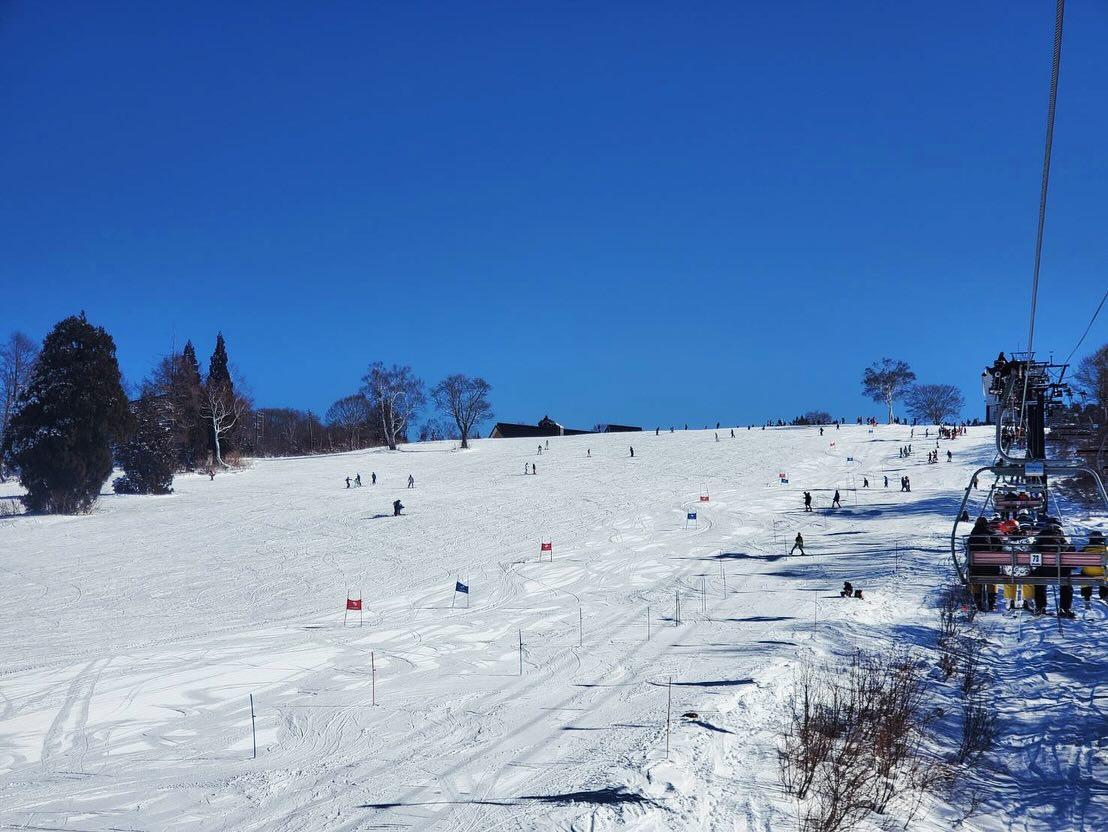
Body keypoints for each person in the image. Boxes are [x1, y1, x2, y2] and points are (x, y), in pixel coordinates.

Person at [967, 517, 998, 611]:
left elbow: (968, 551)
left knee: (976, 581)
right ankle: (992, 603)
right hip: (991, 568)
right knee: (991, 580)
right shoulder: (992, 535)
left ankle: (978, 603)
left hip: (976, 568)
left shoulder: (972, 536)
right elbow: (999, 547)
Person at [1080, 531, 1107, 606]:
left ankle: (1086, 596)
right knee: (1106, 574)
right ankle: (1104, 594)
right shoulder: (1105, 548)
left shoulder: (1086, 548)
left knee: (1083, 574)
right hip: (1102, 573)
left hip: (1088, 573)